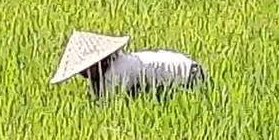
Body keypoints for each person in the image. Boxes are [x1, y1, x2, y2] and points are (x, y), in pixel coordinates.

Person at [49, 31, 206, 99]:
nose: (82, 73)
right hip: (185, 69)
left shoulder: (117, 72)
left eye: (85, 68)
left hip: (190, 76)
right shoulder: (111, 68)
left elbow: (109, 107)